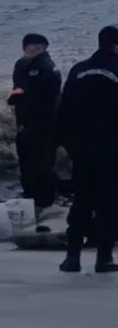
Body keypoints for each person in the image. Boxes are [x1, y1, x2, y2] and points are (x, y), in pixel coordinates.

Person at [55, 26, 118, 273]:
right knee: (109, 204)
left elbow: (63, 111)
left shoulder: (78, 71)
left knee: (82, 200)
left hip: (82, 151)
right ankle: (103, 257)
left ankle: (72, 256)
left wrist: (67, 145)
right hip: (112, 150)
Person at [7, 33, 61, 218]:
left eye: (36, 47)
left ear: (44, 48)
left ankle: (45, 202)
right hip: (24, 122)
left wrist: (28, 98)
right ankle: (29, 199)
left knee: (43, 164)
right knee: (26, 163)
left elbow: (51, 95)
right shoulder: (21, 65)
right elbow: (19, 86)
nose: (32, 50)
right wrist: (17, 95)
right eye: (29, 47)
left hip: (44, 123)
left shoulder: (48, 67)